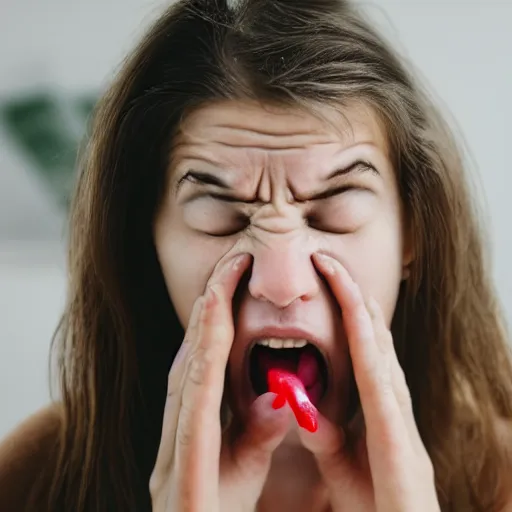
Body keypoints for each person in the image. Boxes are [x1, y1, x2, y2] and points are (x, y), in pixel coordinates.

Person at [1, 0, 511, 510]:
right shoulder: (31, 482)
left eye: (334, 211)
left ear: (412, 235)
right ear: (144, 240)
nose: (281, 281)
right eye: (222, 216)